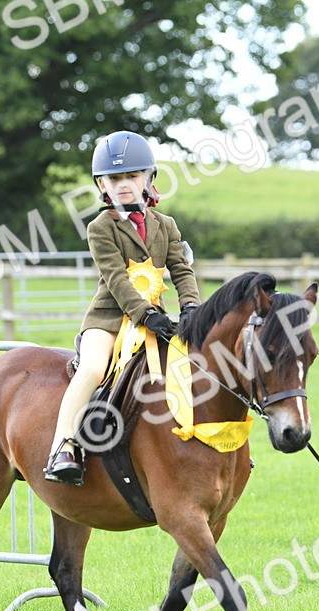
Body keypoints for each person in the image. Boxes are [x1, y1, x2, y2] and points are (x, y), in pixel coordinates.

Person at [45, 131, 200, 485]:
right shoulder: (100, 228)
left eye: (132, 176)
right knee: (93, 369)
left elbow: (181, 270)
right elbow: (116, 278)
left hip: (157, 320)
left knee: (195, 366)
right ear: (102, 184)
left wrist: (191, 307)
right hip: (109, 320)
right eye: (115, 179)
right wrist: (146, 314)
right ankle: (64, 446)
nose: (124, 184)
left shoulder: (166, 225)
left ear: (148, 178)